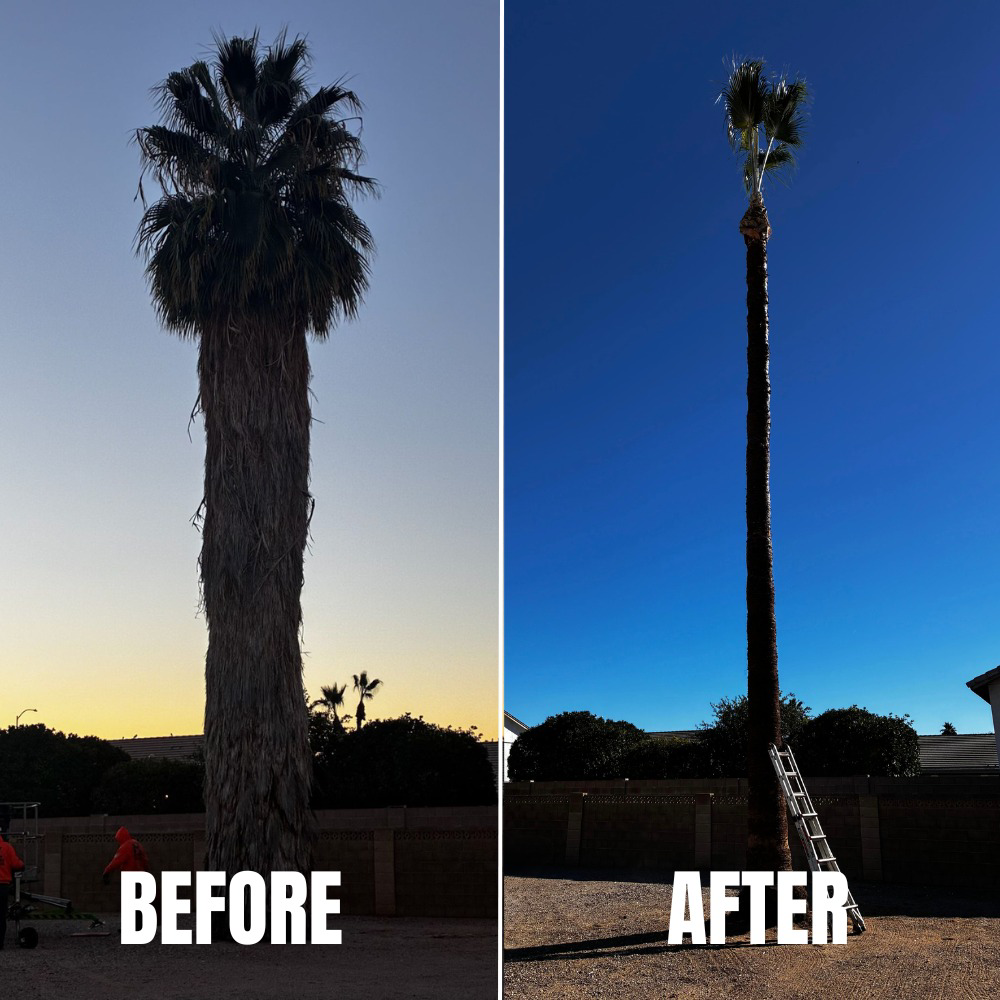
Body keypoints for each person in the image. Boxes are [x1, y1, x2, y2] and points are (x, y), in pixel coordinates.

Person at [0, 833, 25, 950]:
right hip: (3, 886)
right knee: (1, 916)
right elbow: (16, 864)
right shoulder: (7, 847)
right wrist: (22, 865)